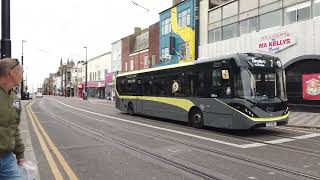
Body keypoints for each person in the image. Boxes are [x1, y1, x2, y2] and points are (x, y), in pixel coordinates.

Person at [0, 58, 25, 180]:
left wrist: (20, 153)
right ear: (12, 73)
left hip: (7, 158)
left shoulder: (15, 98)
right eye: (21, 71)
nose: (23, 75)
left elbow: (14, 128)